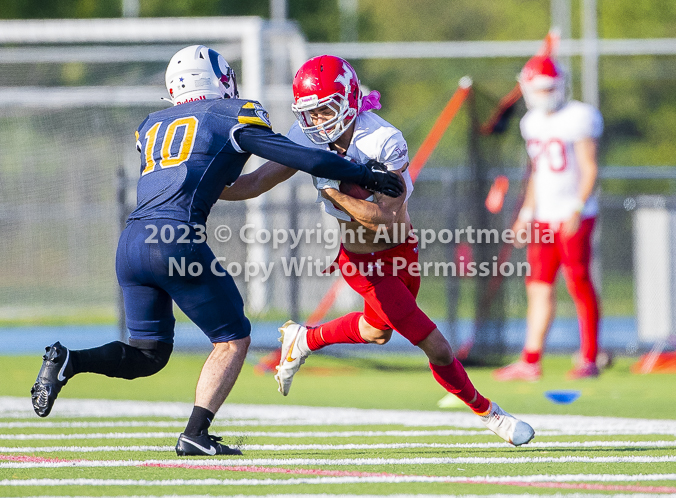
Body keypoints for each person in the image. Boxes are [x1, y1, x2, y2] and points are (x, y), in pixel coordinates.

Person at [30, 45, 404, 456]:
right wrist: (360, 171)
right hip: (175, 239)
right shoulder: (231, 113)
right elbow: (290, 153)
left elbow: (193, 173)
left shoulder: (151, 124)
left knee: (148, 354)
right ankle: (195, 434)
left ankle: (68, 360)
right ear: (220, 79)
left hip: (131, 242)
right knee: (232, 339)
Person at [221, 55, 535, 446]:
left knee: (376, 331)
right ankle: (491, 414)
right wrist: (198, 184)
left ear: (349, 98)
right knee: (436, 347)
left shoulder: (382, 139)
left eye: (326, 109)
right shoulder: (306, 137)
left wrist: (331, 187)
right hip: (363, 264)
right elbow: (253, 183)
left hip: (401, 249)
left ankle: (303, 339)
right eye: (310, 112)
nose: (318, 121)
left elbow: (384, 218)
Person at [493, 55, 603, 382]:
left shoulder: (579, 117)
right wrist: (526, 214)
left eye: (548, 87)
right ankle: (530, 361)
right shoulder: (532, 122)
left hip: (572, 214)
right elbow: (538, 174)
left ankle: (589, 357)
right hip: (543, 216)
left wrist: (578, 207)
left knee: (578, 283)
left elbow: (590, 167)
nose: (543, 93)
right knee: (538, 287)